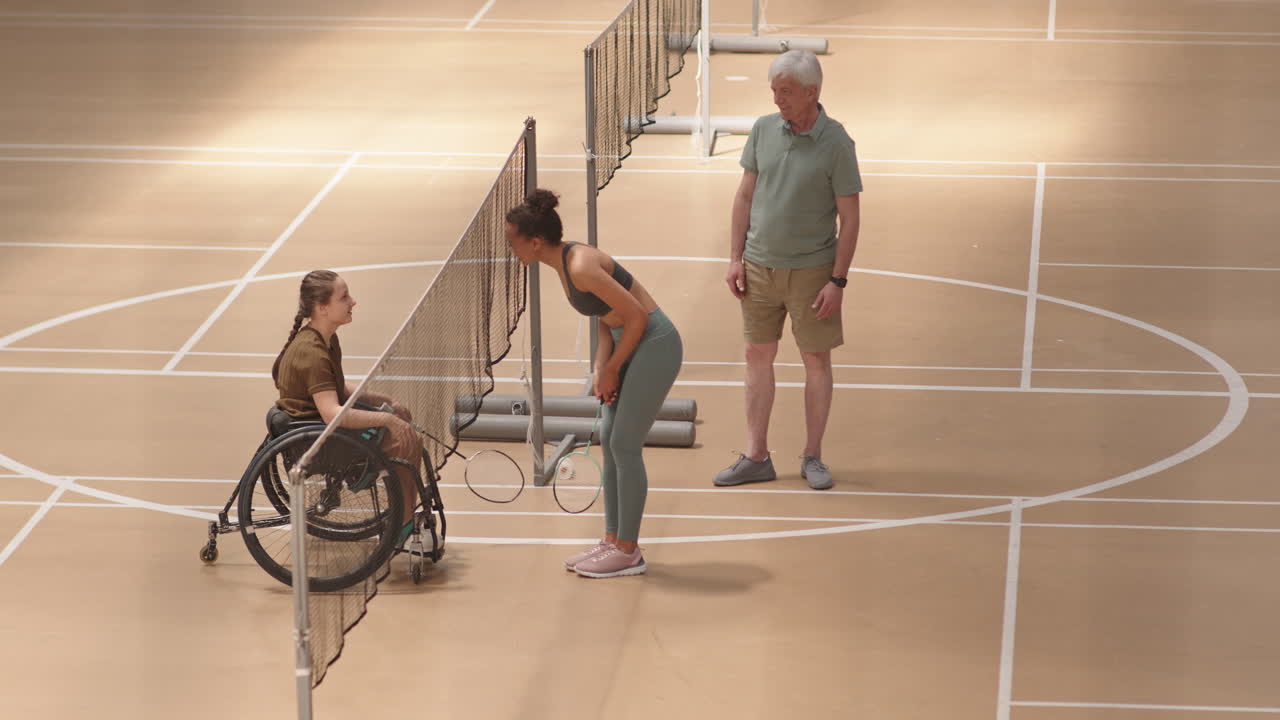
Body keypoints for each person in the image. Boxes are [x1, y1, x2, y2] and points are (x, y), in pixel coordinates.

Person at [506, 190, 683, 578]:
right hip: (627, 344)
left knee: (624, 443)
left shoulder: (581, 265)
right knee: (610, 438)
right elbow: (606, 317)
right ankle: (611, 540)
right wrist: (600, 367)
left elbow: (637, 317)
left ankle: (629, 550)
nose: (510, 247)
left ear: (534, 242)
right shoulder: (563, 265)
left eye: (513, 240)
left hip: (654, 345)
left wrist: (614, 368)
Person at [715, 49, 863, 491]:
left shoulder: (837, 144)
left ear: (812, 92)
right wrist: (735, 257)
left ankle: (813, 456)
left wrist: (837, 281)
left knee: (815, 360)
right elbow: (744, 196)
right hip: (759, 268)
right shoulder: (763, 130)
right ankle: (755, 455)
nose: (777, 99)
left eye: (786, 91)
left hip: (813, 273)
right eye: (774, 90)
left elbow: (850, 218)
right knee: (756, 356)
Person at [271, 269, 421, 540]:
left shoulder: (325, 339)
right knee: (405, 442)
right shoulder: (312, 353)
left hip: (323, 429)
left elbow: (335, 389)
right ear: (322, 308)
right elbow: (332, 412)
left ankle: (404, 516)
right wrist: (387, 420)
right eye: (344, 297)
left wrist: (384, 401)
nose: (353, 301)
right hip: (319, 443)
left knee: (402, 419)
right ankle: (403, 526)